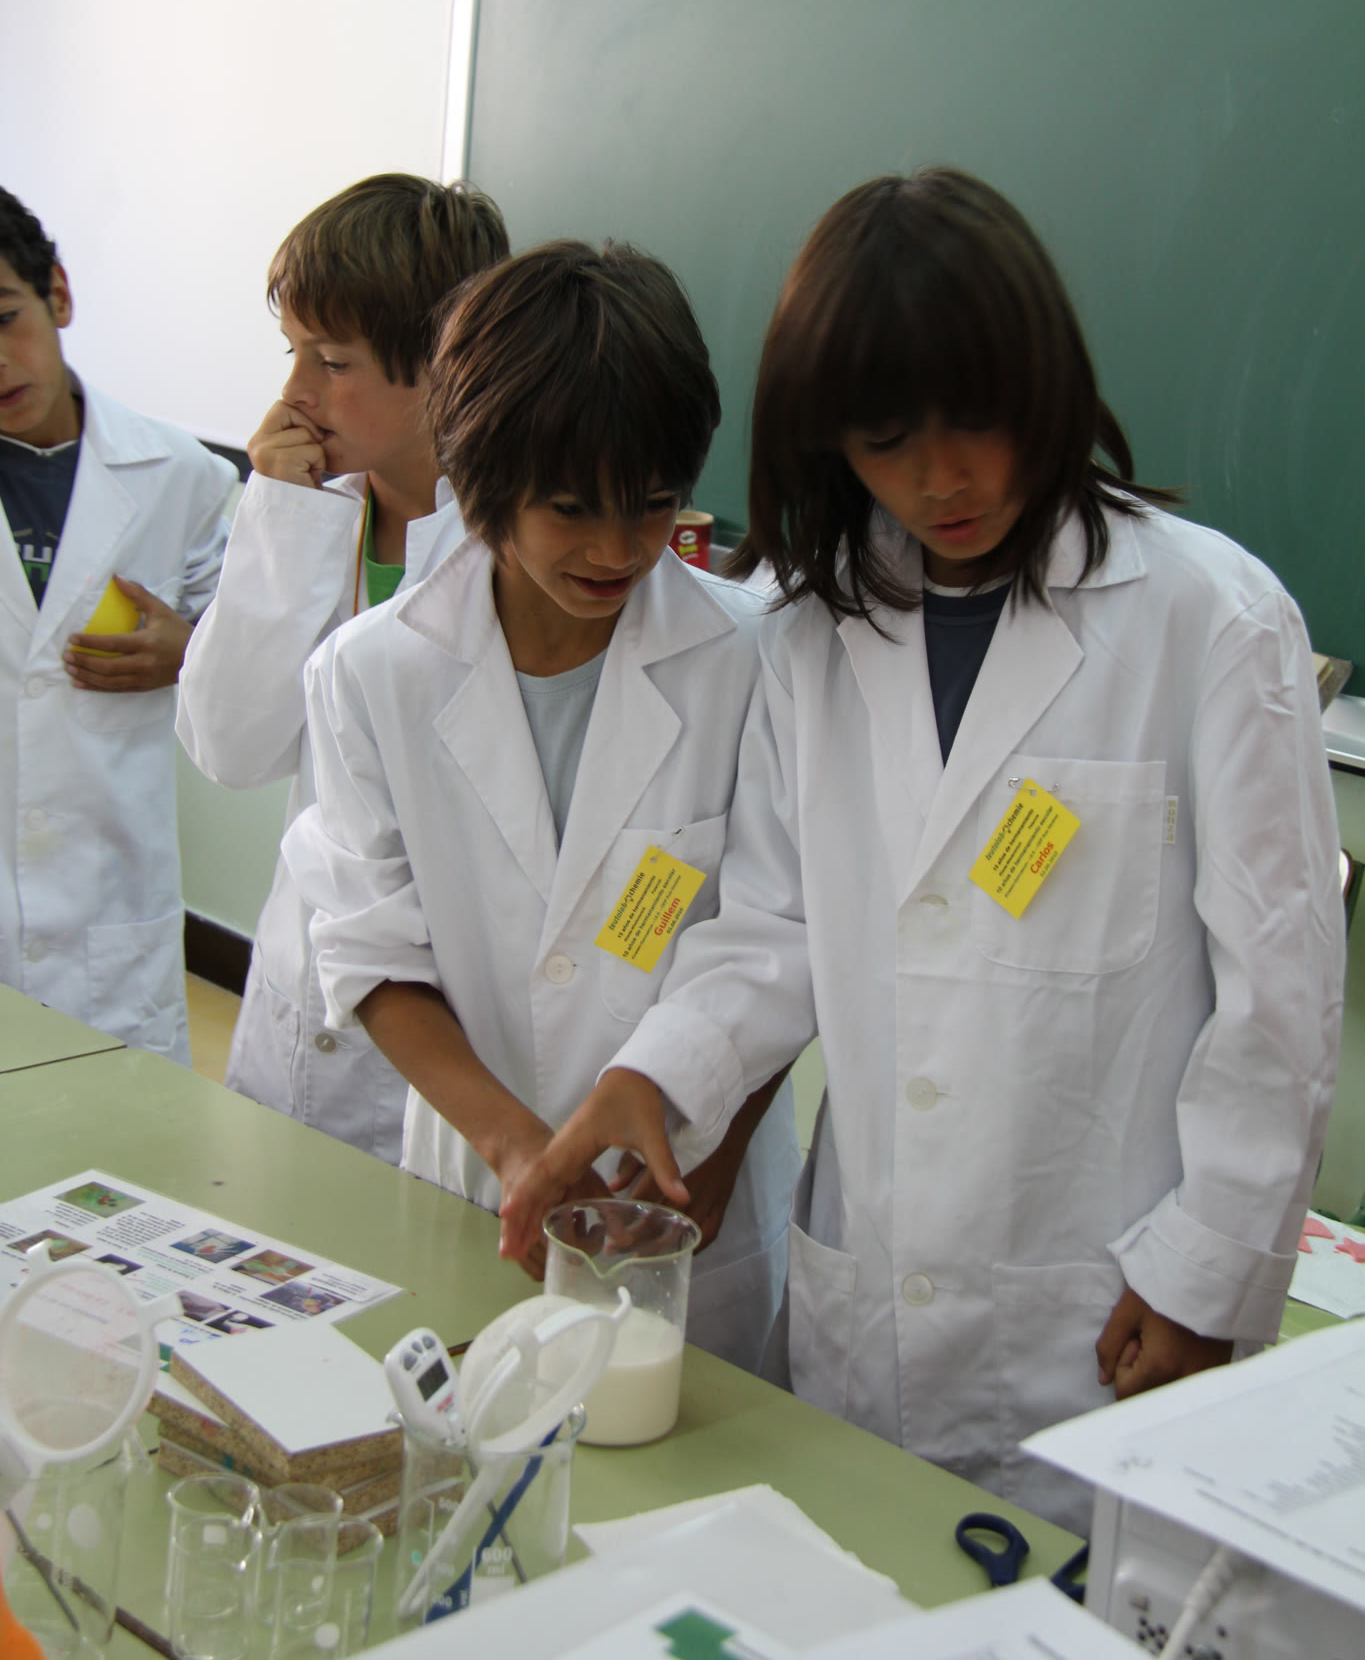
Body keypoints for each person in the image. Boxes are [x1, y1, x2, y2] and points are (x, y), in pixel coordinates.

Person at [498, 169, 1345, 1527]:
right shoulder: (813, 638)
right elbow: (774, 928)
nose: (940, 480)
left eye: (978, 422)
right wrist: (655, 1073)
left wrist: (1208, 1269)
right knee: (856, 1568)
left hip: (1107, 1305)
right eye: (887, 439)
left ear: (1047, 382)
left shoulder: (1211, 620)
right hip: (873, 1299)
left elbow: (1279, 997)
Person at [282, 241, 800, 1370]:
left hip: (684, 1204)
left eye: (652, 505)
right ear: (481, 483)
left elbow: (777, 936)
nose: (618, 550)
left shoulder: (757, 660)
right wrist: (517, 1146)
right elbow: (371, 948)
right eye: (571, 510)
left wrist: (706, 1158)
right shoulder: (373, 673)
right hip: (480, 1180)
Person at [177, 174, 508, 1161]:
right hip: (296, 998)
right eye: (291, 353)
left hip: (445, 1038)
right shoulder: (308, 510)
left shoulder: (517, 549)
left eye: (330, 361)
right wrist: (280, 519)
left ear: (449, 362)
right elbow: (230, 746)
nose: (294, 394)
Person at [0, 185, 237, 1061]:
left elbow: (258, 667)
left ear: (57, 294)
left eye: (4, 318)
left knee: (114, 1138)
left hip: (109, 920)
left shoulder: (181, 476)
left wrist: (191, 651)